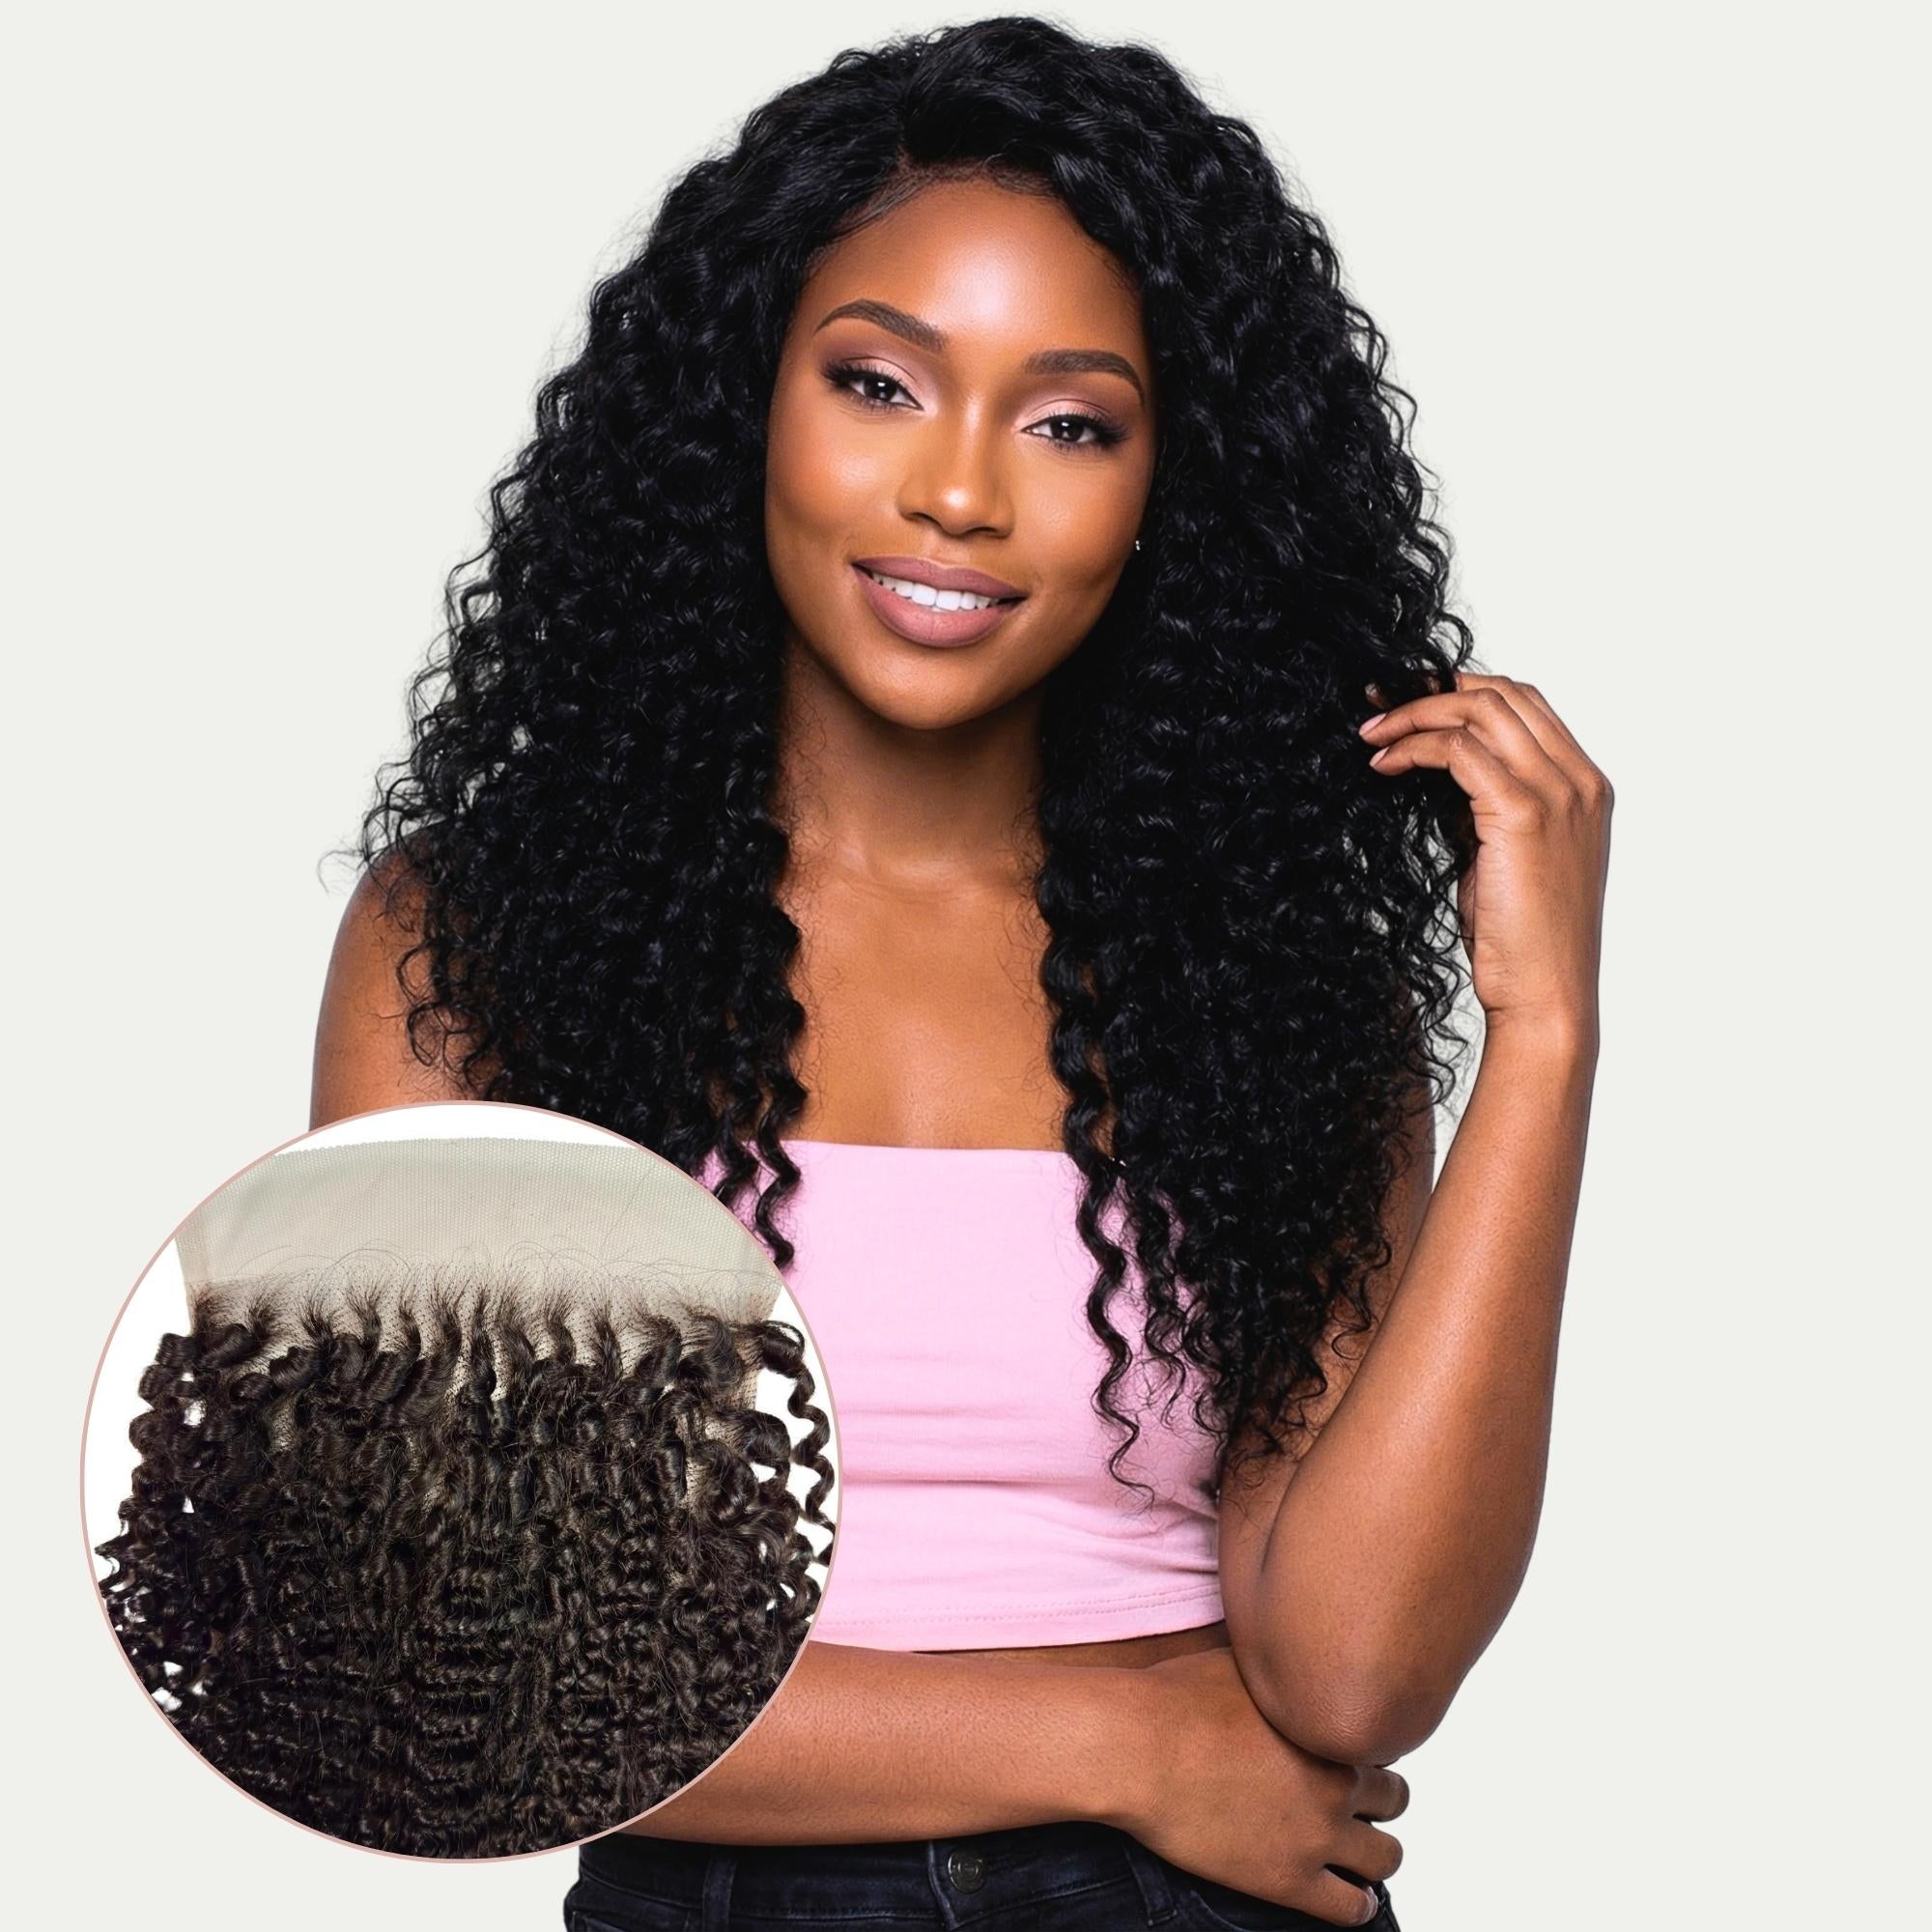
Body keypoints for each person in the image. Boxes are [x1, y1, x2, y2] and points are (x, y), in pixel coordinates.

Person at [311, 16, 1610, 1928]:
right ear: (745, 403)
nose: (961, 495)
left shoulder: (1260, 981)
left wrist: (1544, 1037)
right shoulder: (475, 943)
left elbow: (1349, 1676)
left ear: (1172, 485)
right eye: (878, 384)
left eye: (1070, 420)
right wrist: (1120, 1741)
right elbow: (460, 1678)